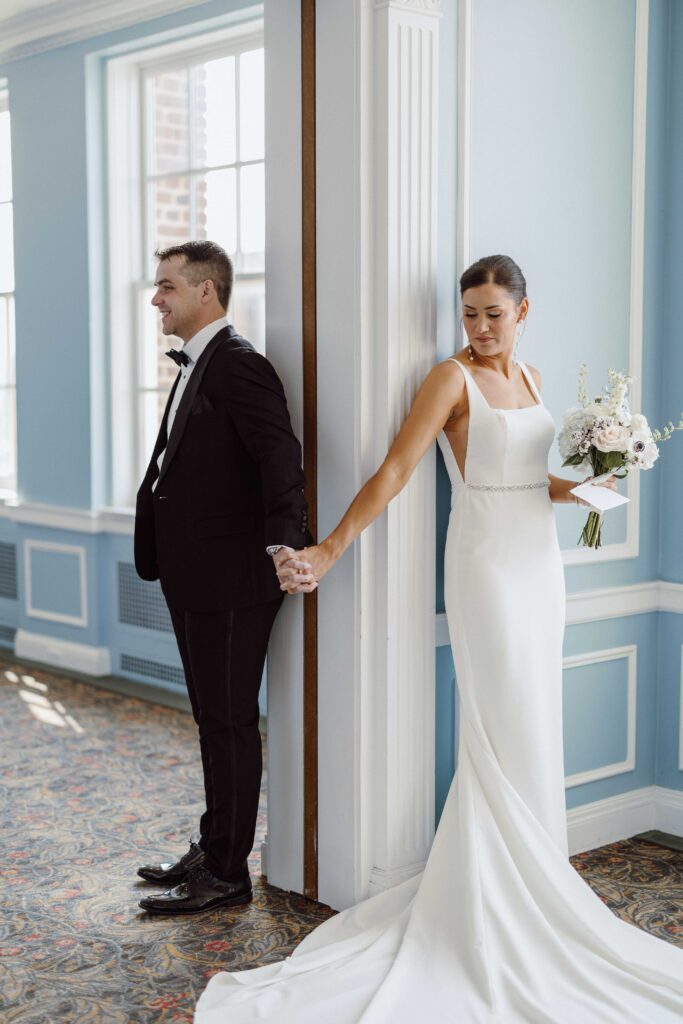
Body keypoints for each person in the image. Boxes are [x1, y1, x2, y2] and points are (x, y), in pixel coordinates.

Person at [195, 255, 683, 1020]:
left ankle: (531, 884)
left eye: (493, 313)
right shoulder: (448, 380)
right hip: (485, 566)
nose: (480, 328)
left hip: (539, 566)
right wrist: (329, 548)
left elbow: (533, 482)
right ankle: (493, 897)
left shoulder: (532, 380)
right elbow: (395, 470)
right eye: (469, 314)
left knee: (534, 725)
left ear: (523, 312)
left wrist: (593, 484)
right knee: (499, 724)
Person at [134, 240, 313, 916]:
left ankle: (227, 872)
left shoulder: (239, 364)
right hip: (193, 574)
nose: (157, 298)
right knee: (212, 719)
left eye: (168, 286)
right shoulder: (198, 362)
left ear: (205, 291)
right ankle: (213, 847)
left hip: (234, 579)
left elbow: (280, 457)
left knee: (229, 722)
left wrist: (286, 547)